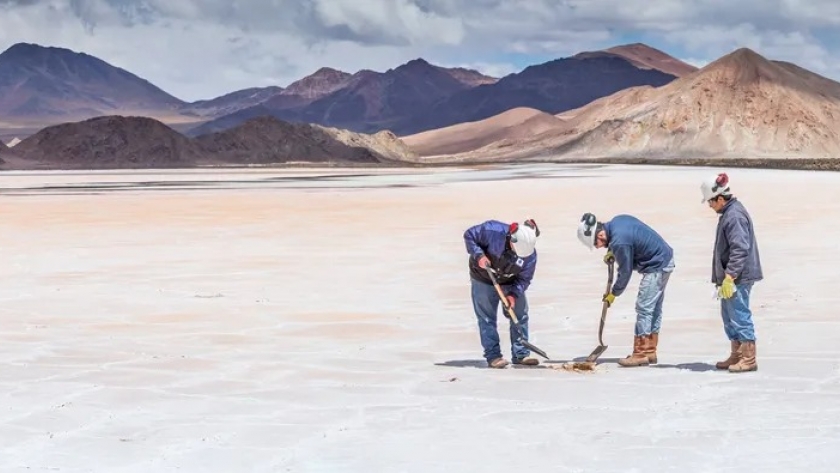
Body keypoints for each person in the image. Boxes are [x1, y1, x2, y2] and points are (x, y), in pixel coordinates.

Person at [577, 212, 675, 367]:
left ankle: (640, 353)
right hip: (664, 259)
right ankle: (650, 350)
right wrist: (613, 252)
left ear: (600, 234)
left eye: (597, 244)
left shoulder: (619, 242)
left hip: (656, 265)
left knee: (644, 308)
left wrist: (614, 293)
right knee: (653, 308)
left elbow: (625, 272)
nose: (598, 247)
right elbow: (631, 241)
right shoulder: (617, 222)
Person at [701, 172, 762, 373]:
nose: (710, 206)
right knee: (729, 316)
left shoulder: (734, 216)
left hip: (739, 277)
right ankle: (736, 354)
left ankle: (748, 358)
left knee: (739, 314)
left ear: (720, 198)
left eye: (710, 202)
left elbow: (740, 248)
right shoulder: (728, 213)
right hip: (731, 277)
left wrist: (730, 276)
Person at [463, 219, 541, 368]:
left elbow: (524, 278)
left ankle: (521, 354)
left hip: (510, 280)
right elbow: (469, 235)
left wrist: (513, 295)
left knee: (520, 314)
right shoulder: (492, 230)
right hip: (483, 277)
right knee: (486, 318)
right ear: (512, 238)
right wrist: (479, 255)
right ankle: (494, 356)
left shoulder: (530, 256)